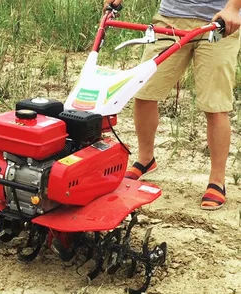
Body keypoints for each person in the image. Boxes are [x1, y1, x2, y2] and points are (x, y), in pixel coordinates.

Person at [103, 0, 241, 210]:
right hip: (170, 19)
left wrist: (233, 8)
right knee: (144, 92)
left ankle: (217, 180)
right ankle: (146, 159)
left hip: (220, 22)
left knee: (215, 105)